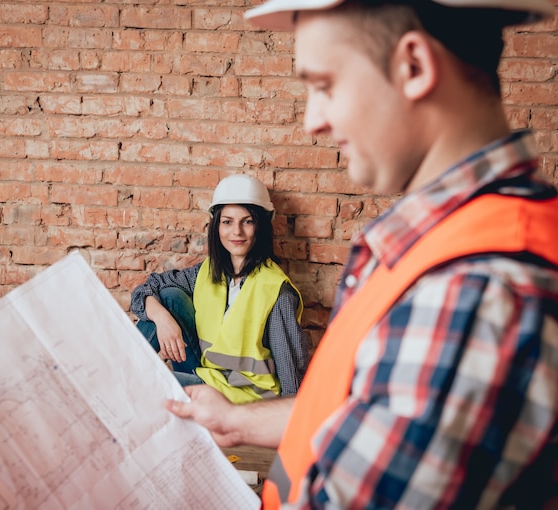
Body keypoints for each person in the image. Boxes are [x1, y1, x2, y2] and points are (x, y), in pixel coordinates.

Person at [165, 0, 558, 508]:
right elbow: (371, 405)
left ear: (413, 66)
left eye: (325, 85)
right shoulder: (448, 244)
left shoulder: (475, 287)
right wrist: (239, 420)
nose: (313, 121)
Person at [131, 173, 310, 404]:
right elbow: (145, 291)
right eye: (227, 222)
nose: (237, 232)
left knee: (148, 383)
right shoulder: (207, 272)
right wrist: (163, 320)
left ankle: (116, 379)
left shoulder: (275, 290)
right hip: (208, 375)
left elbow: (291, 374)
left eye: (248, 221)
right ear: (217, 226)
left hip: (242, 398)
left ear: (262, 227)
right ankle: (121, 370)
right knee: (168, 296)